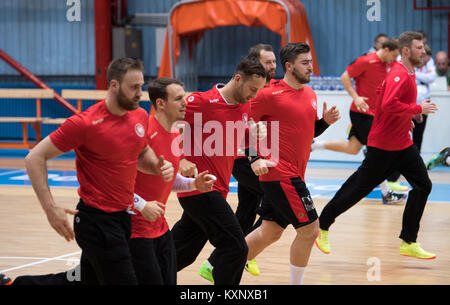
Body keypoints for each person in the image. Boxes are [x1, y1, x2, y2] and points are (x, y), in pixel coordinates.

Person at [3, 77, 215, 286]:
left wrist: (192, 185)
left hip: (159, 229)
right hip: (131, 231)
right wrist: (142, 206)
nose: (185, 102)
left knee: (84, 280)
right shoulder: (143, 132)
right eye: (179, 98)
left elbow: (165, 180)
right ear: (161, 103)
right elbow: (113, 184)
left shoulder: (174, 135)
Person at [24, 57, 175, 285]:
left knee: (81, 281)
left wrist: (156, 166)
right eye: (133, 87)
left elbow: (141, 152)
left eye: (141, 87)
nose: (139, 93)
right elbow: (34, 157)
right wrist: (51, 209)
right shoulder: (84, 124)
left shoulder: (140, 116)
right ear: (114, 85)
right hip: (96, 223)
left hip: (124, 219)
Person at [315, 31, 439, 260]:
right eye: (419, 48)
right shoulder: (399, 74)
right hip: (383, 146)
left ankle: (409, 241)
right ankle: (322, 224)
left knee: (423, 185)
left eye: (424, 48)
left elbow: (383, 101)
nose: (424, 52)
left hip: (402, 144)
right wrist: (416, 110)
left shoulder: (408, 74)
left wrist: (407, 119)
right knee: (357, 189)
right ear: (405, 51)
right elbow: (390, 104)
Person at [243, 42, 340, 285]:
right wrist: (254, 158)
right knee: (310, 231)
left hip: (295, 172)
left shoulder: (310, 94)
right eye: (305, 63)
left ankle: (216, 265)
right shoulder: (267, 94)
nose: (311, 67)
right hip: (279, 173)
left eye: (311, 62)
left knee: (270, 232)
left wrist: (324, 123)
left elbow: (306, 132)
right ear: (289, 66)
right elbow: (243, 126)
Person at [171, 55, 267, 285]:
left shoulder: (244, 104)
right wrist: (180, 159)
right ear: (237, 78)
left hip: (218, 189)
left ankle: (139, 273)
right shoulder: (201, 101)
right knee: (235, 247)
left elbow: (237, 136)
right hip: (199, 189)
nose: (254, 96)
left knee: (179, 254)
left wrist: (251, 137)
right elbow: (167, 124)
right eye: (252, 89)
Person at [198, 44, 277, 282]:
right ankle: (240, 254)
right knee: (276, 201)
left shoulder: (255, 94)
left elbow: (246, 128)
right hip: (241, 164)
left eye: (274, 62)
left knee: (245, 212)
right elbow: (175, 123)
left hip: (248, 161)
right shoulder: (231, 96)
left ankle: (217, 262)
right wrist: (253, 156)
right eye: (267, 62)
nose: (272, 66)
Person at [311, 38, 406, 204]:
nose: (394, 59)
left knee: (353, 148)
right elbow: (345, 76)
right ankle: (386, 193)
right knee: (377, 152)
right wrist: (356, 97)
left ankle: (314, 145)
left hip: (375, 115)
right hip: (362, 113)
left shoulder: (387, 65)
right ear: (385, 49)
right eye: (393, 55)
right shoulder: (366, 61)